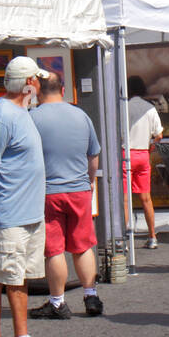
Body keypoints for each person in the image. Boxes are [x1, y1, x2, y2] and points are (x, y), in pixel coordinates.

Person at [0, 56, 55, 337]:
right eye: (37, 79)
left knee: (17, 278)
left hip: (29, 214)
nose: (40, 84)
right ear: (28, 83)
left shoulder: (22, 112)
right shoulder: (2, 117)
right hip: (8, 214)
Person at [28, 72, 104, 320]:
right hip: (80, 189)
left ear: (38, 92)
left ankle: (58, 302)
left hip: (48, 192)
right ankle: (90, 295)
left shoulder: (32, 118)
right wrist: (89, 182)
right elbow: (93, 156)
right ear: (63, 90)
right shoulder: (80, 115)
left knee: (55, 249)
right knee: (83, 246)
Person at [126, 76, 162, 249]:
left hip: (126, 154)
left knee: (125, 199)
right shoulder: (150, 108)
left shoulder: (124, 107)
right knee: (146, 198)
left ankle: (124, 239)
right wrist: (150, 146)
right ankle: (153, 236)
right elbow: (159, 135)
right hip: (143, 154)